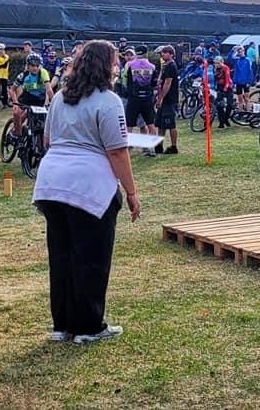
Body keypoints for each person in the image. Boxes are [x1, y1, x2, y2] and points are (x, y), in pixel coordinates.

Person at [33, 39, 140, 345]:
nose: (118, 68)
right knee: (91, 258)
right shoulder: (108, 101)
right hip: (88, 186)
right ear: (107, 66)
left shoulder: (60, 97)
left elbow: (48, 140)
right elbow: (117, 151)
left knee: (62, 256)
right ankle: (89, 326)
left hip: (51, 184)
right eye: (115, 62)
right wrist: (131, 192)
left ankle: (63, 324)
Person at [10, 54, 54, 137]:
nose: (35, 68)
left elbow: (49, 89)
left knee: (41, 124)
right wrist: (15, 103)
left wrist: (53, 102)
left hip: (39, 100)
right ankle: (17, 134)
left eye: (37, 66)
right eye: (32, 65)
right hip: (26, 98)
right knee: (17, 113)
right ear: (28, 66)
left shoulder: (43, 73)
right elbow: (12, 89)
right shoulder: (23, 75)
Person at [123, 49, 159, 148]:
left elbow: (125, 81)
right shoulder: (152, 66)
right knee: (150, 123)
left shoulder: (129, 65)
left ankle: (127, 146)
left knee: (129, 124)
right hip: (147, 98)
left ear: (136, 54)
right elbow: (154, 83)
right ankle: (152, 147)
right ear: (146, 53)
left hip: (133, 98)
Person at [154, 45, 179, 155]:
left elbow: (167, 83)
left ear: (171, 54)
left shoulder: (171, 66)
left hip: (169, 99)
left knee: (170, 124)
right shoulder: (165, 66)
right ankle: (159, 145)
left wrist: (161, 98)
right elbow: (161, 81)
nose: (162, 54)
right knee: (160, 124)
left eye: (165, 52)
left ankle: (174, 146)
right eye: (162, 53)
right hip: (163, 98)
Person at [213, 55, 234, 128]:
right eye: (216, 63)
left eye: (218, 63)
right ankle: (221, 122)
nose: (217, 65)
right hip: (219, 86)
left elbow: (227, 79)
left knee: (230, 105)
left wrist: (225, 88)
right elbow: (215, 79)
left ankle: (226, 119)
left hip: (228, 86)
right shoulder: (215, 69)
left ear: (222, 62)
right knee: (219, 105)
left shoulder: (225, 68)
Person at [231, 46, 254, 111]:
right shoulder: (237, 60)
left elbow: (250, 71)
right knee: (240, 99)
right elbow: (230, 59)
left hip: (246, 82)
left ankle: (248, 111)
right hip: (238, 82)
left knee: (246, 99)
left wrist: (249, 81)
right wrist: (234, 50)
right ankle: (240, 112)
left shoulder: (248, 60)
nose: (240, 53)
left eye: (241, 52)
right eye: (239, 52)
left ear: (244, 51)